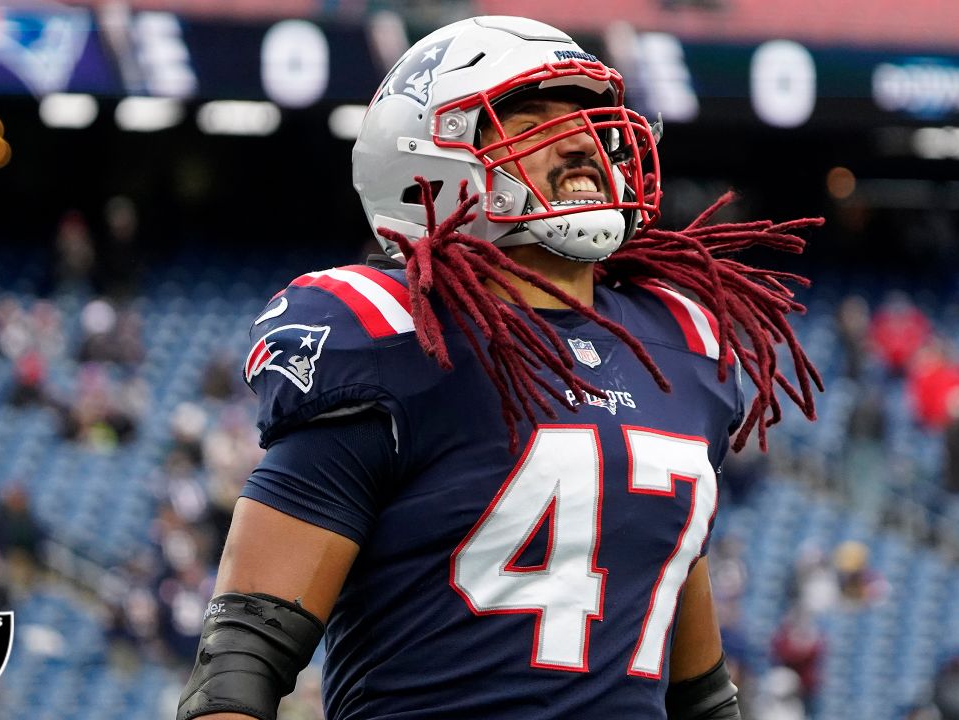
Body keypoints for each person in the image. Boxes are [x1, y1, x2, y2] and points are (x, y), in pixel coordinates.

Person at [177, 15, 821, 720]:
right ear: (429, 163)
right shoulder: (395, 339)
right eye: (529, 117)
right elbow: (242, 661)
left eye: (586, 117)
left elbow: (698, 688)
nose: (579, 139)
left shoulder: (679, 346)